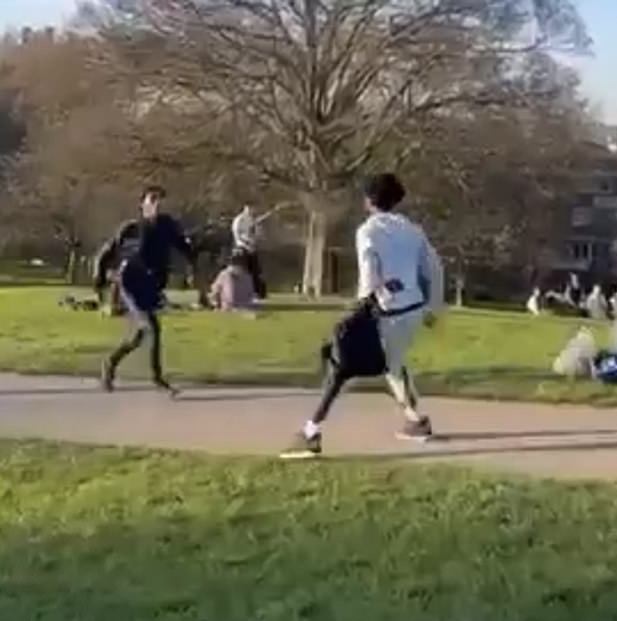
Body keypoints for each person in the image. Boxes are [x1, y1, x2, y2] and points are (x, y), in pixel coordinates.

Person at [280, 173, 444, 459]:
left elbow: (369, 273)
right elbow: (433, 267)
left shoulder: (368, 231)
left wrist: (362, 305)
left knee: (340, 366)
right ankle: (416, 422)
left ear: (368, 200)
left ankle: (311, 432)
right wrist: (433, 306)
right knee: (393, 364)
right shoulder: (413, 230)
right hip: (413, 309)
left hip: (386, 311)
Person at [93, 185, 197, 395]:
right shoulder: (131, 229)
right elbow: (105, 254)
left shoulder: (167, 226)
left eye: (160, 200)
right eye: (152, 200)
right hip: (131, 282)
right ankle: (157, 379)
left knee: (139, 335)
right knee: (152, 328)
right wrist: (99, 282)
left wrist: (193, 266)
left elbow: (185, 248)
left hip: (151, 285)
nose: (157, 204)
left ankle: (110, 363)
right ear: (142, 205)